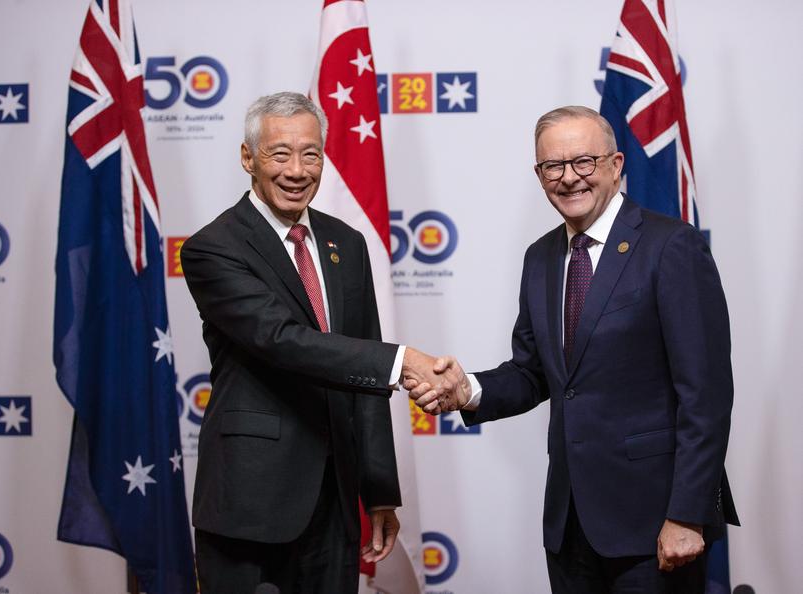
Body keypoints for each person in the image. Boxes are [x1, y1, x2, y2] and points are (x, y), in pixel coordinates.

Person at [409, 106, 739, 593]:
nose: (569, 179)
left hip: (656, 525)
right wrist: (468, 390)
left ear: (616, 164)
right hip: (569, 526)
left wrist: (687, 516)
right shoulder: (540, 257)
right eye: (552, 167)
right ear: (539, 175)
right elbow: (534, 372)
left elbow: (705, 396)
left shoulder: (671, 247)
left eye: (584, 162)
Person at [181, 92, 444, 594]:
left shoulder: (346, 242)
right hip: (250, 503)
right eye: (280, 154)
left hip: (336, 504)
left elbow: (360, 371)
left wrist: (379, 491)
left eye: (311, 154)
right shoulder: (212, 247)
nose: (297, 170)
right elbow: (283, 341)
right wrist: (404, 359)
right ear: (247, 158)